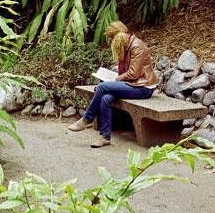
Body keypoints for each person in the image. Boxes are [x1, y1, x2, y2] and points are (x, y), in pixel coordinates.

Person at [67, 20, 159, 148]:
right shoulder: (126, 45)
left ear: (118, 38)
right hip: (132, 84)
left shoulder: (137, 46)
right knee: (105, 98)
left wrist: (115, 79)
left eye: (113, 39)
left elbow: (133, 74)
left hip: (142, 87)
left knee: (102, 87)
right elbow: (128, 72)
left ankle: (87, 119)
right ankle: (105, 137)